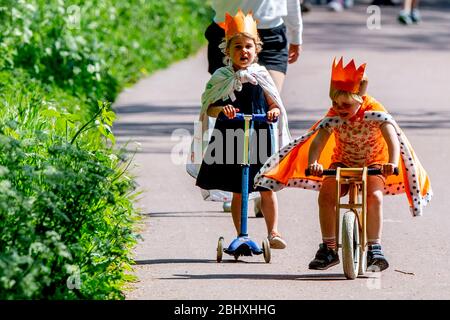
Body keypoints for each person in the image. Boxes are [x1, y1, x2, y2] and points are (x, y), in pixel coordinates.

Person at [254, 57, 432, 270]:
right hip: (342, 161)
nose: (339, 108)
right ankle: (328, 248)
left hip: (374, 162)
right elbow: (318, 141)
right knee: (327, 194)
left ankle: (374, 247)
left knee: (374, 196)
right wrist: (314, 162)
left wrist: (391, 164)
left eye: (345, 104)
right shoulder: (334, 115)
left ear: (360, 98)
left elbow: (391, 137)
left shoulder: (374, 110)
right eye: (335, 103)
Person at [194, 9, 292, 248]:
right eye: (237, 47)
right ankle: (241, 234)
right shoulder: (222, 76)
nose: (243, 51)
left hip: (259, 134)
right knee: (239, 189)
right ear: (227, 51)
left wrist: (274, 112)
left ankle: (274, 233)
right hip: (231, 136)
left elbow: (274, 103)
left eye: (248, 46)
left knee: (266, 186)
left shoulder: (261, 74)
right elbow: (209, 107)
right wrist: (223, 110)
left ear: (256, 49)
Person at [204, 0, 303, 214]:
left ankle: (263, 186)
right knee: (230, 111)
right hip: (226, 30)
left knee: (265, 108)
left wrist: (296, 34)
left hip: (270, 31)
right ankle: (235, 189)